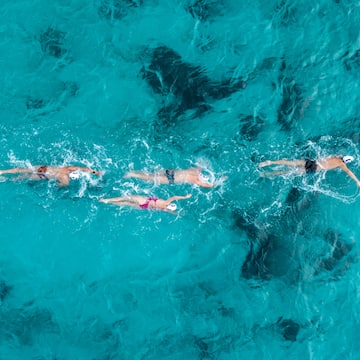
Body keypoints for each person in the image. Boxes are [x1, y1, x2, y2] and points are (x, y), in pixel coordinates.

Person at [259, 155, 360, 186]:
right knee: (287, 172)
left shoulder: (336, 156)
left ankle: (271, 162)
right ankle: (266, 174)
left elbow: (325, 157)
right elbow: (348, 172)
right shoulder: (341, 164)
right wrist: (357, 181)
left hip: (312, 162)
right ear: (346, 162)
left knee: (290, 162)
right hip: (315, 168)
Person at [123, 167, 227, 188]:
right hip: (171, 179)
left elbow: (201, 163)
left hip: (171, 171)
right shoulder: (196, 180)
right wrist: (221, 180)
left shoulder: (196, 170)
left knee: (151, 174)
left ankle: (133, 172)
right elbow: (211, 186)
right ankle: (132, 174)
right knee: (151, 178)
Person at [0, 165, 101, 186]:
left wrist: (94, 172)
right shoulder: (66, 180)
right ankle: (4, 179)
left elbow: (84, 169)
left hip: (44, 168)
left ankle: (2, 172)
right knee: (21, 178)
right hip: (43, 176)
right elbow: (58, 185)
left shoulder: (69, 168)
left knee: (22, 170)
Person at [99, 194, 192, 213]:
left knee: (125, 197)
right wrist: (177, 213)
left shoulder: (166, 203)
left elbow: (174, 197)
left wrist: (185, 197)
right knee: (126, 203)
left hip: (144, 201)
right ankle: (109, 203)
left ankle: (107, 200)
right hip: (144, 207)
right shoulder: (165, 209)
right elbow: (171, 212)